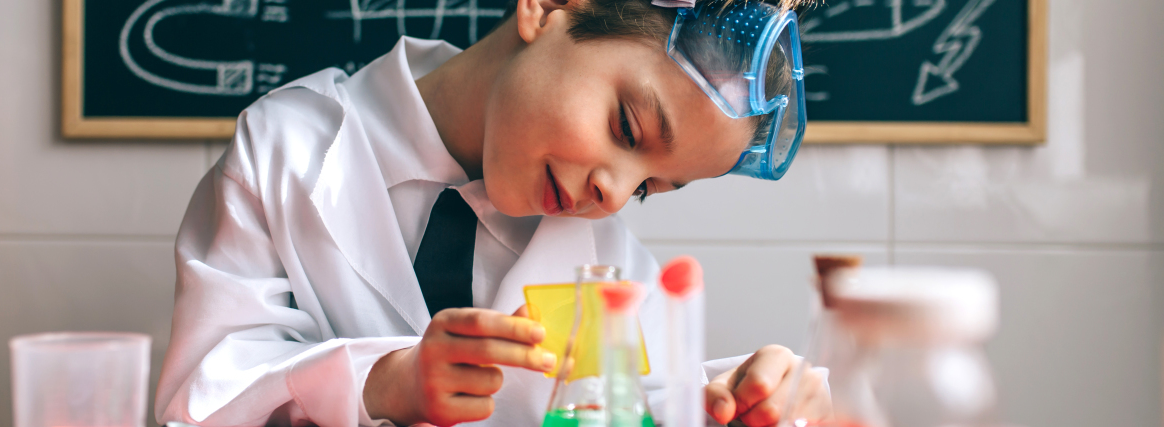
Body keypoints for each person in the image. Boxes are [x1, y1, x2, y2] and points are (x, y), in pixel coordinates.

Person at [155, 0, 828, 425]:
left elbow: (642, 403)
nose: (615, 195)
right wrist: (380, 383)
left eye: (651, 186)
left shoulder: (604, 258)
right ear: (549, 8)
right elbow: (198, 400)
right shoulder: (283, 149)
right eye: (626, 127)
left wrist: (745, 397)